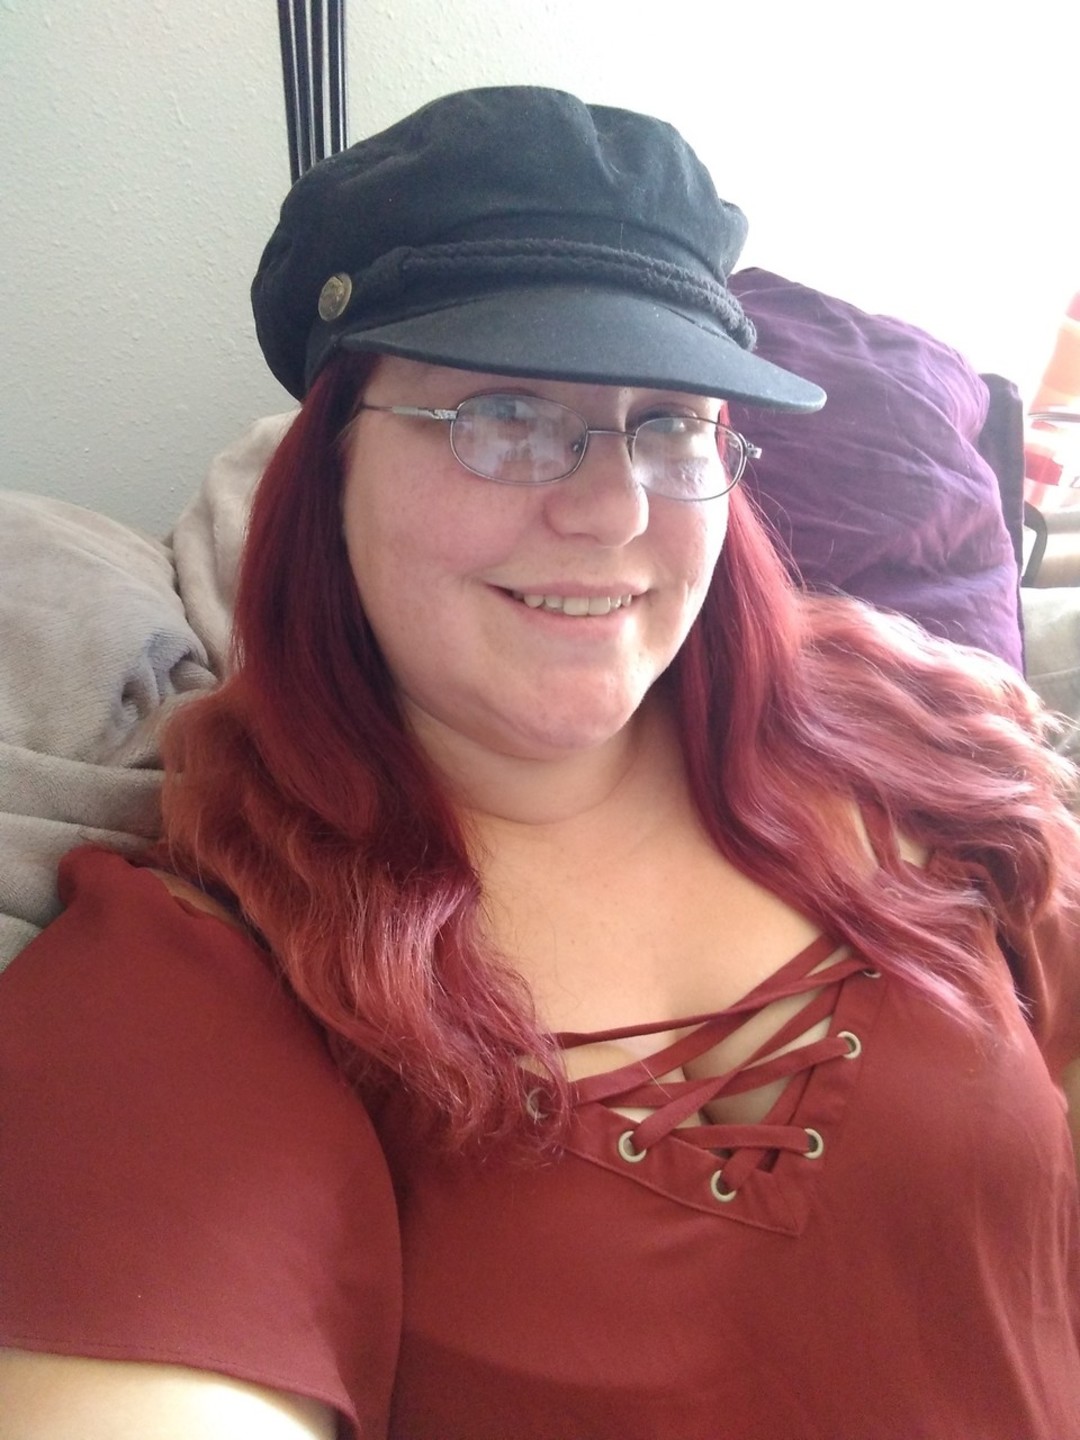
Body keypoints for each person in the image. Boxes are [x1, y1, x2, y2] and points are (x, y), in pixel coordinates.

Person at [2, 85, 1079, 1440]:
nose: (613, 510)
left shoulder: (904, 729)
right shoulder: (206, 968)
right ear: (328, 469)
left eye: (670, 423)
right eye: (506, 412)